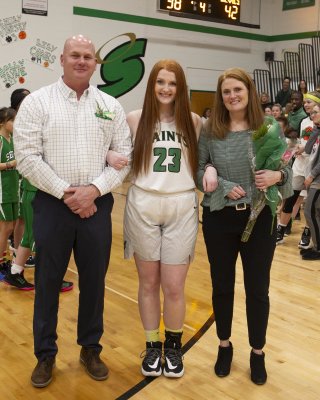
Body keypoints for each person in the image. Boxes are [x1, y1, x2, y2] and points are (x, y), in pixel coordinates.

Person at [14, 34, 132, 388]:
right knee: (48, 282)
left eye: (88, 56)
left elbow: (123, 158)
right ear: (61, 60)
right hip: (54, 205)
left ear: (95, 62)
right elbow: (27, 157)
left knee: (95, 282)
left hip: (97, 205)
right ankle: (45, 355)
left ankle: (90, 348)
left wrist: (93, 191)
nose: (82, 61)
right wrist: (68, 193)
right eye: (75, 55)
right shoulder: (37, 103)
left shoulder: (110, 105)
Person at [197, 68, 292, 385]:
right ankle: (224, 345)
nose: (232, 95)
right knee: (221, 285)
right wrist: (217, 180)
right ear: (220, 96)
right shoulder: (211, 129)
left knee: (257, 290)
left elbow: (288, 175)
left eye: (237, 89)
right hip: (219, 217)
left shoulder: (267, 128)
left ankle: (257, 351)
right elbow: (199, 173)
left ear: (249, 92)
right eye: (226, 91)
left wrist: (278, 177)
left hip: (260, 216)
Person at [124, 59, 201, 378]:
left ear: (181, 88)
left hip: (181, 204)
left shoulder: (194, 122)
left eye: (172, 83)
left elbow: (205, 160)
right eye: (160, 82)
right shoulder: (133, 119)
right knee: (148, 282)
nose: (166, 88)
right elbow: (122, 161)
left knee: (173, 286)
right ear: (151, 86)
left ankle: (173, 347)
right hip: (143, 203)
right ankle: (152, 346)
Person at [276, 91, 320, 245]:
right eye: (305, 102)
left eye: (309, 102)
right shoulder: (303, 121)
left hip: (314, 167)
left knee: (311, 204)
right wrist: (291, 152)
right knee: (290, 199)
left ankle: (308, 233)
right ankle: (281, 230)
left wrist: (305, 148)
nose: (306, 104)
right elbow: (299, 143)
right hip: (300, 165)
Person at [0, 107, 19, 281]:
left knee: (11, 227)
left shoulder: (12, 139)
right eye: (12, 120)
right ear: (2, 123)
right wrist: (10, 164)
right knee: (5, 228)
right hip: (2, 191)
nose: (15, 123)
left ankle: (4, 260)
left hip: (13, 187)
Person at [300, 104, 320, 260]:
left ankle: (318, 248)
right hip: (315, 177)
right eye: (311, 113)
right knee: (315, 212)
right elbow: (307, 149)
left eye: (315, 112)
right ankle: (317, 245)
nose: (312, 115)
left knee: (309, 211)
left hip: (318, 178)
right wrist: (316, 128)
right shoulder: (317, 130)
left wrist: (312, 175)